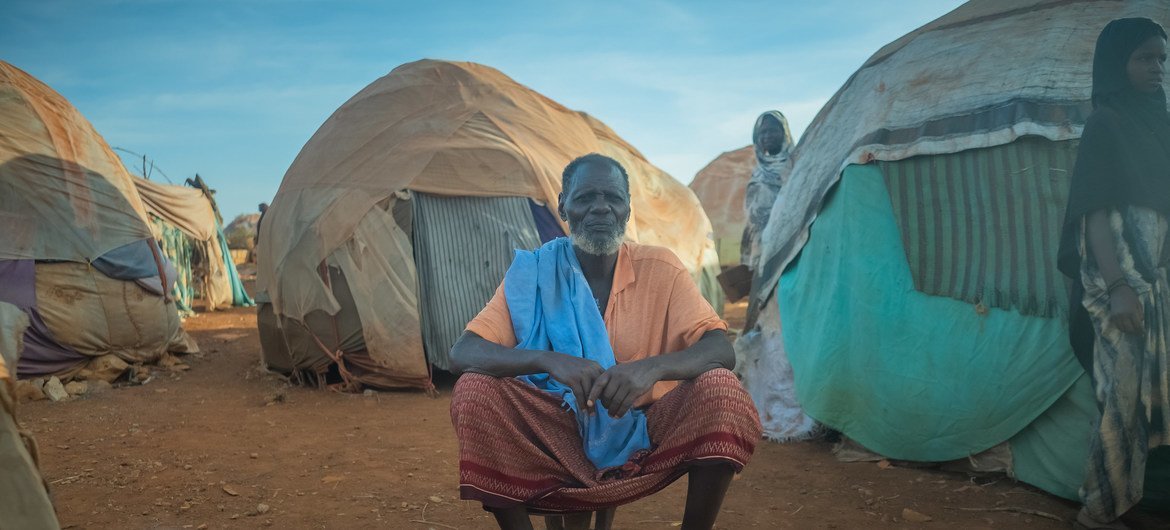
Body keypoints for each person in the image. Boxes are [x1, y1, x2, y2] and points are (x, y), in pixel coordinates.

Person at [449, 154, 762, 530]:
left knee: (721, 389)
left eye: (613, 198)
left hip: (644, 426)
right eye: (585, 198)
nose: (601, 208)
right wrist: (548, 361)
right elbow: (464, 352)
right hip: (552, 427)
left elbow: (719, 348)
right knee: (473, 391)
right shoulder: (534, 272)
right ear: (564, 206)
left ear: (627, 208)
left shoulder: (661, 267)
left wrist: (652, 368)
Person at [1057, 17, 1169, 530]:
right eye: (1144, 58)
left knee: (1148, 401)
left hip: (1159, 284)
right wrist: (1121, 287)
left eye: (1162, 58)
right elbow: (1094, 211)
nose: (1157, 68)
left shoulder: (1158, 123)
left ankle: (1131, 504)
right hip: (1119, 284)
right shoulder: (1107, 122)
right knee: (1121, 401)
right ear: (1117, 64)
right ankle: (1097, 514)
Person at [741, 110, 794, 270]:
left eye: (772, 130)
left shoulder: (795, 165)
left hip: (789, 239)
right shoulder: (757, 172)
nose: (767, 136)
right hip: (760, 245)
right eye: (762, 132)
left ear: (784, 133)